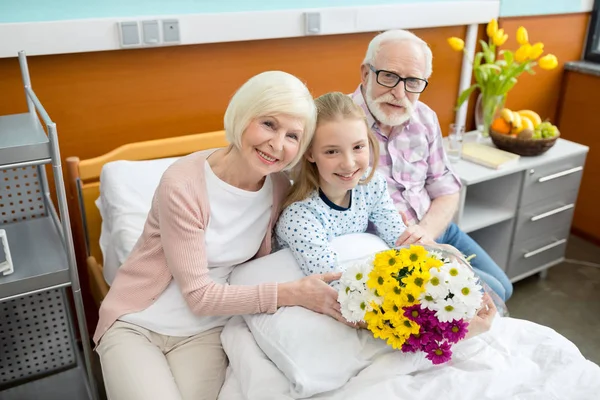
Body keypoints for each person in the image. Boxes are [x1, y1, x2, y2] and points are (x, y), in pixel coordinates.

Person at [94, 71, 348, 400]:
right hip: (139, 324)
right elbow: (199, 296)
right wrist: (292, 294)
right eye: (268, 124)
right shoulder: (183, 184)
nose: (277, 143)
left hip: (207, 332)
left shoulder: (279, 188)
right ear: (243, 115)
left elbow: (321, 217)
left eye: (292, 136)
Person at [350, 29, 513, 302]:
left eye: (413, 81)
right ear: (366, 73)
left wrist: (426, 231)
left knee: (504, 288)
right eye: (389, 76)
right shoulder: (338, 123)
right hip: (393, 246)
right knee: (492, 294)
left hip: (435, 227)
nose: (399, 92)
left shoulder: (424, 117)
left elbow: (446, 187)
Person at [276, 91, 414, 287]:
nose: (349, 164)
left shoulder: (372, 185)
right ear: (310, 153)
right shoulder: (300, 216)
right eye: (332, 151)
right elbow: (333, 282)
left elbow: (401, 241)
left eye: (358, 147)